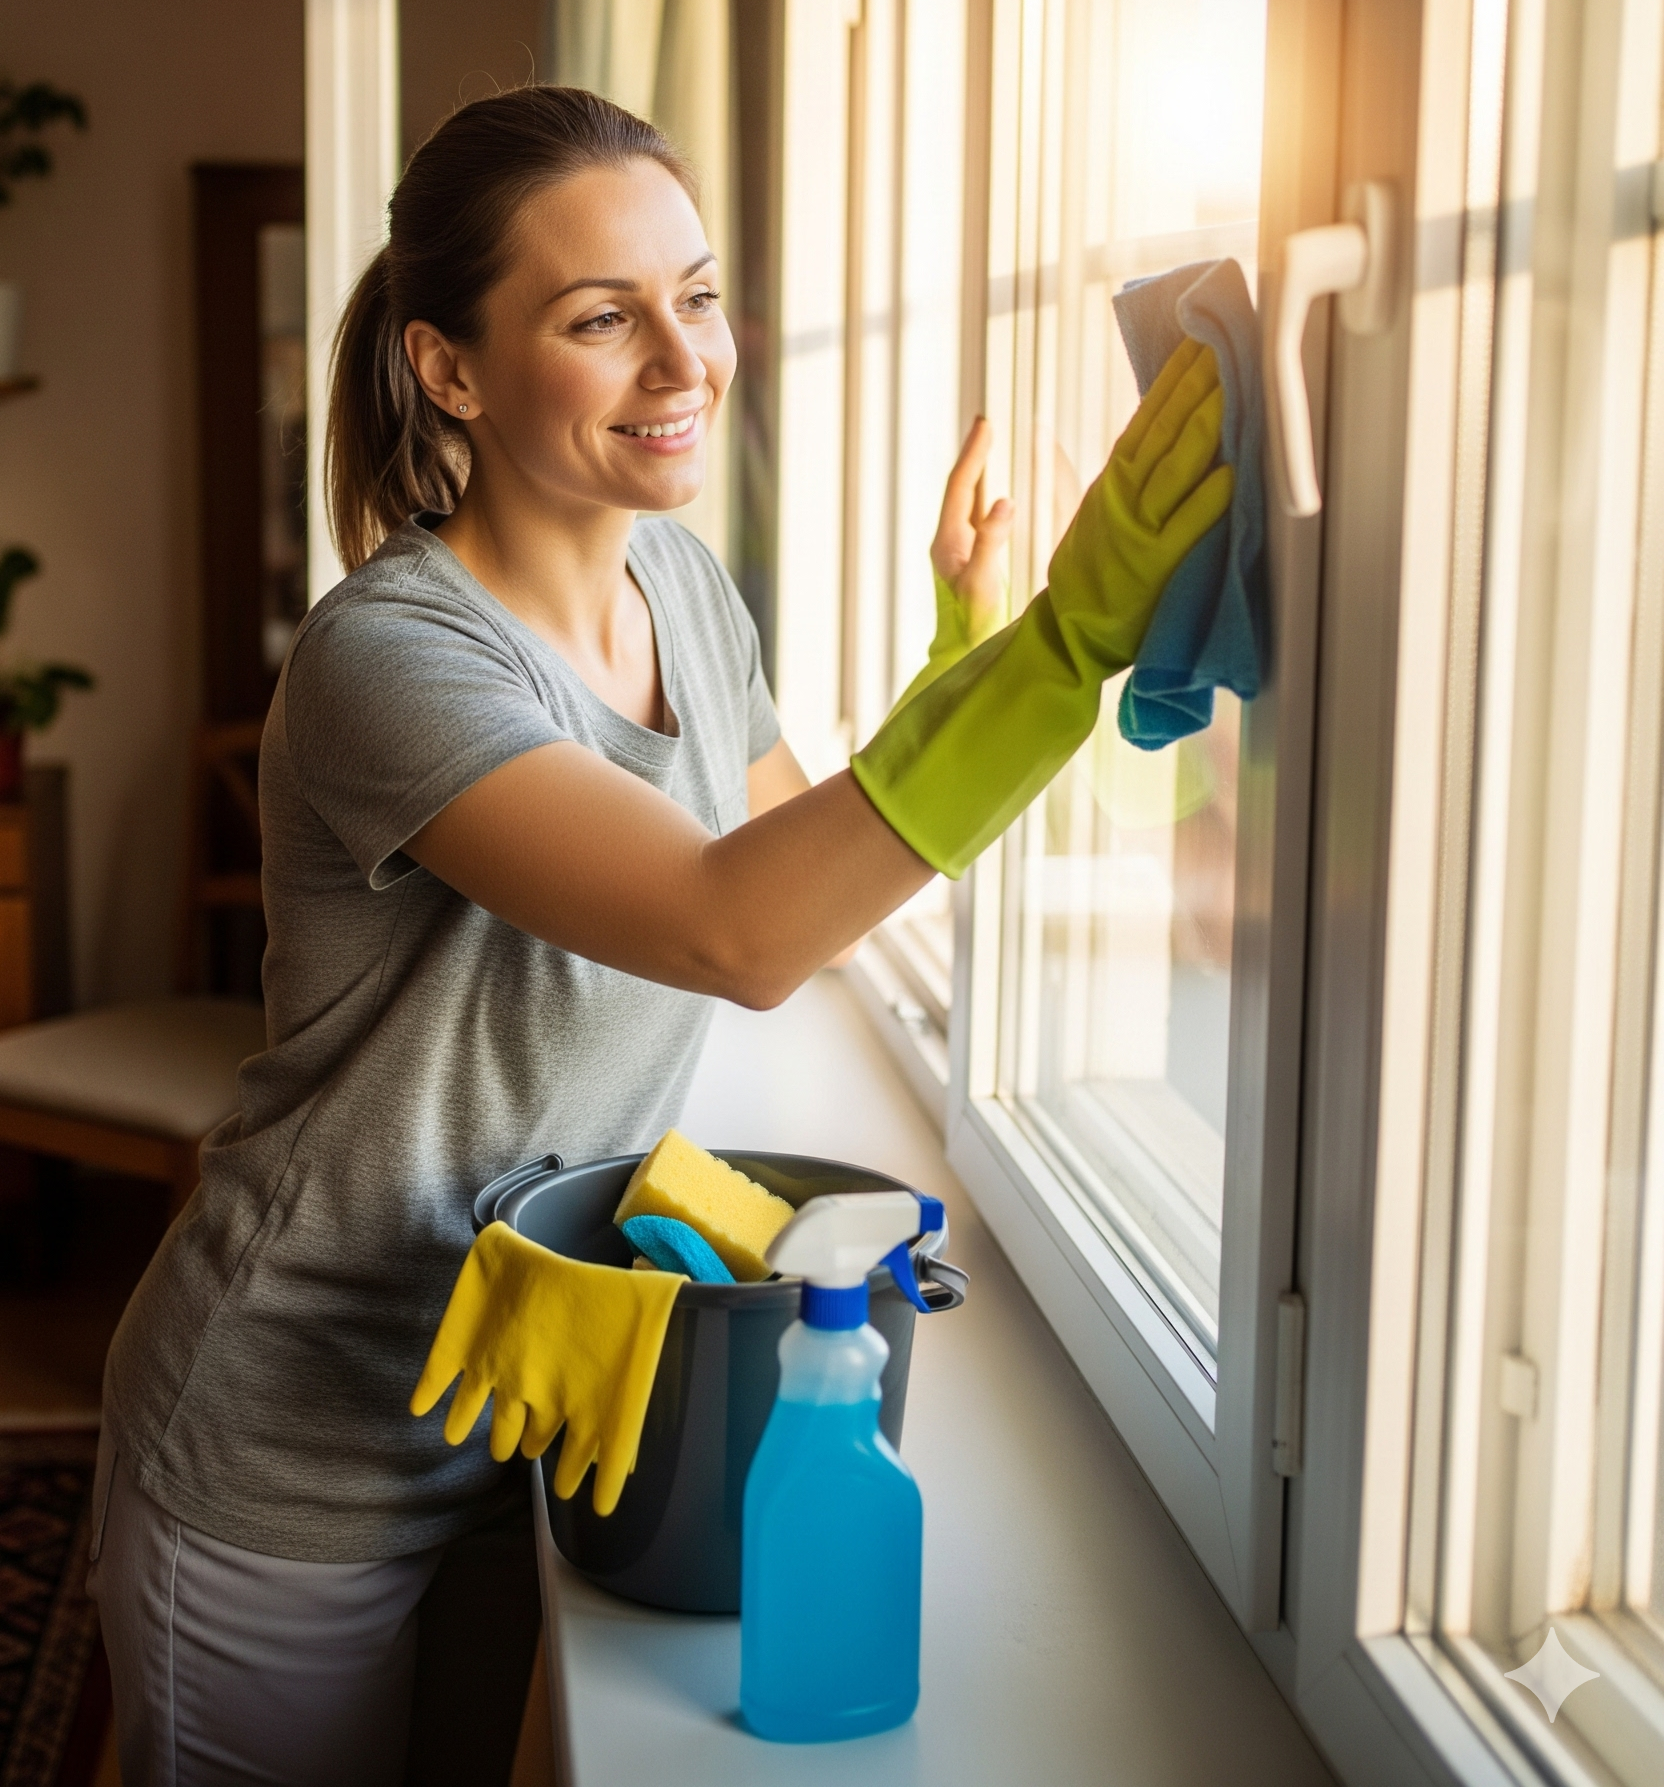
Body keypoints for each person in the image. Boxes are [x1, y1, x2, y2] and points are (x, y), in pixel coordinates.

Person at [88, 86, 1229, 1787]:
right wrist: (1058, 654)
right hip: (302, 1431)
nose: (686, 361)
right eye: (602, 317)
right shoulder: (389, 659)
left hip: (543, 1388)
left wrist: (960, 659)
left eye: (694, 296)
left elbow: (780, 867)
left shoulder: (681, 588)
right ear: (448, 369)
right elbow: (731, 930)